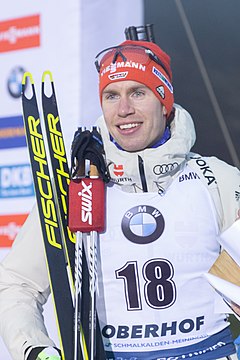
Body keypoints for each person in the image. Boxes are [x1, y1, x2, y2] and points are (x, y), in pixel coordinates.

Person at [0, 34, 240, 360]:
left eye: (138, 92)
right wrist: (35, 349)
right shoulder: (80, 188)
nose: (124, 109)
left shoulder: (215, 179)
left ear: (164, 101)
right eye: (111, 96)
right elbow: (17, 283)